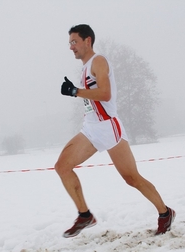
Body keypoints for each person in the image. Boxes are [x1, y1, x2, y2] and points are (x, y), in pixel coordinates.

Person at [55, 24, 175, 238]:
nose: (71, 47)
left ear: (88, 41)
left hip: (109, 127)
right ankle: (84, 215)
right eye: (69, 43)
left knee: (132, 178)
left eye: (74, 41)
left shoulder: (98, 61)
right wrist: (77, 91)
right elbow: (92, 97)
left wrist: (75, 91)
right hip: (91, 128)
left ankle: (165, 213)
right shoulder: (85, 67)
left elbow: (105, 94)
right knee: (62, 167)